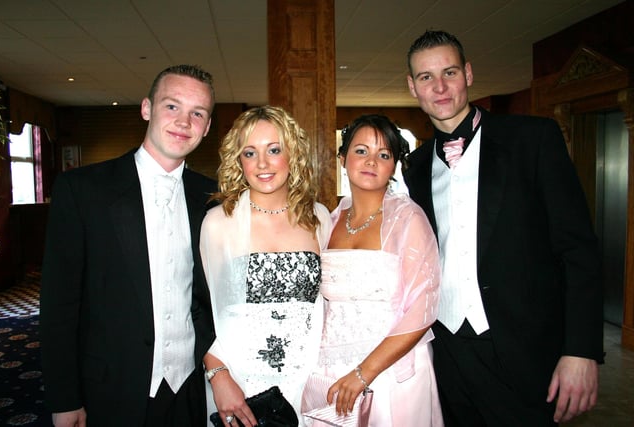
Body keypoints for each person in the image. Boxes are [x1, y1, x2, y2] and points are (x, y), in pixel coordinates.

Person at [403, 30, 603, 426]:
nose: (439, 87)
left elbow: (578, 250)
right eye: (426, 77)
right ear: (413, 87)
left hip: (523, 351)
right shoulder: (416, 167)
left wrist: (581, 350)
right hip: (447, 354)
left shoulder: (533, 140)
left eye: (450, 72)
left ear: (469, 74)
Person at [40, 64, 217, 427]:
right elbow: (59, 305)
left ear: (207, 126)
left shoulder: (211, 198)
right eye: (172, 106)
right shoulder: (82, 190)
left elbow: (206, 298)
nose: (184, 122)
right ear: (147, 109)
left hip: (189, 389)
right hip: (111, 390)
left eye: (197, 113)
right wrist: (64, 398)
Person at [199, 105, 332, 426]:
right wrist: (218, 375)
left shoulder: (319, 219)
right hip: (239, 384)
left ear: (293, 154)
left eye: (274, 150)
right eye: (250, 153)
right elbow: (200, 310)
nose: (262, 164)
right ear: (238, 161)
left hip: (306, 382)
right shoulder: (218, 223)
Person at [307, 114, 443, 426]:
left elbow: (423, 309)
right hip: (331, 368)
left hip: (389, 371)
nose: (371, 161)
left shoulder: (409, 219)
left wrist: (363, 373)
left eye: (383, 155)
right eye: (361, 151)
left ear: (394, 166)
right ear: (343, 159)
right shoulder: (328, 221)